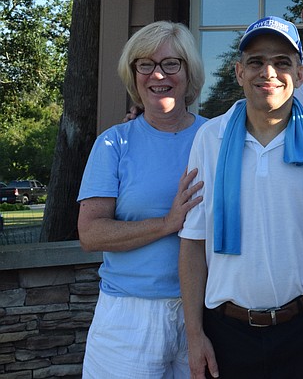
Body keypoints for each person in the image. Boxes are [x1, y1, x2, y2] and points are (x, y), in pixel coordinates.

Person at [178, 16, 303, 379]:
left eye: (282, 62)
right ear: (239, 72)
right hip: (226, 332)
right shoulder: (210, 139)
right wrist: (195, 337)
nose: (268, 72)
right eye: (256, 62)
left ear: (301, 75)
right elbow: (193, 242)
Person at [77, 21, 207, 378]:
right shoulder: (113, 143)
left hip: (204, 313)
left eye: (171, 63)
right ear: (133, 74)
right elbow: (91, 234)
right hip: (128, 317)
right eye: (145, 64)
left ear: (189, 71)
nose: (157, 74)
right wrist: (168, 223)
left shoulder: (215, 137)